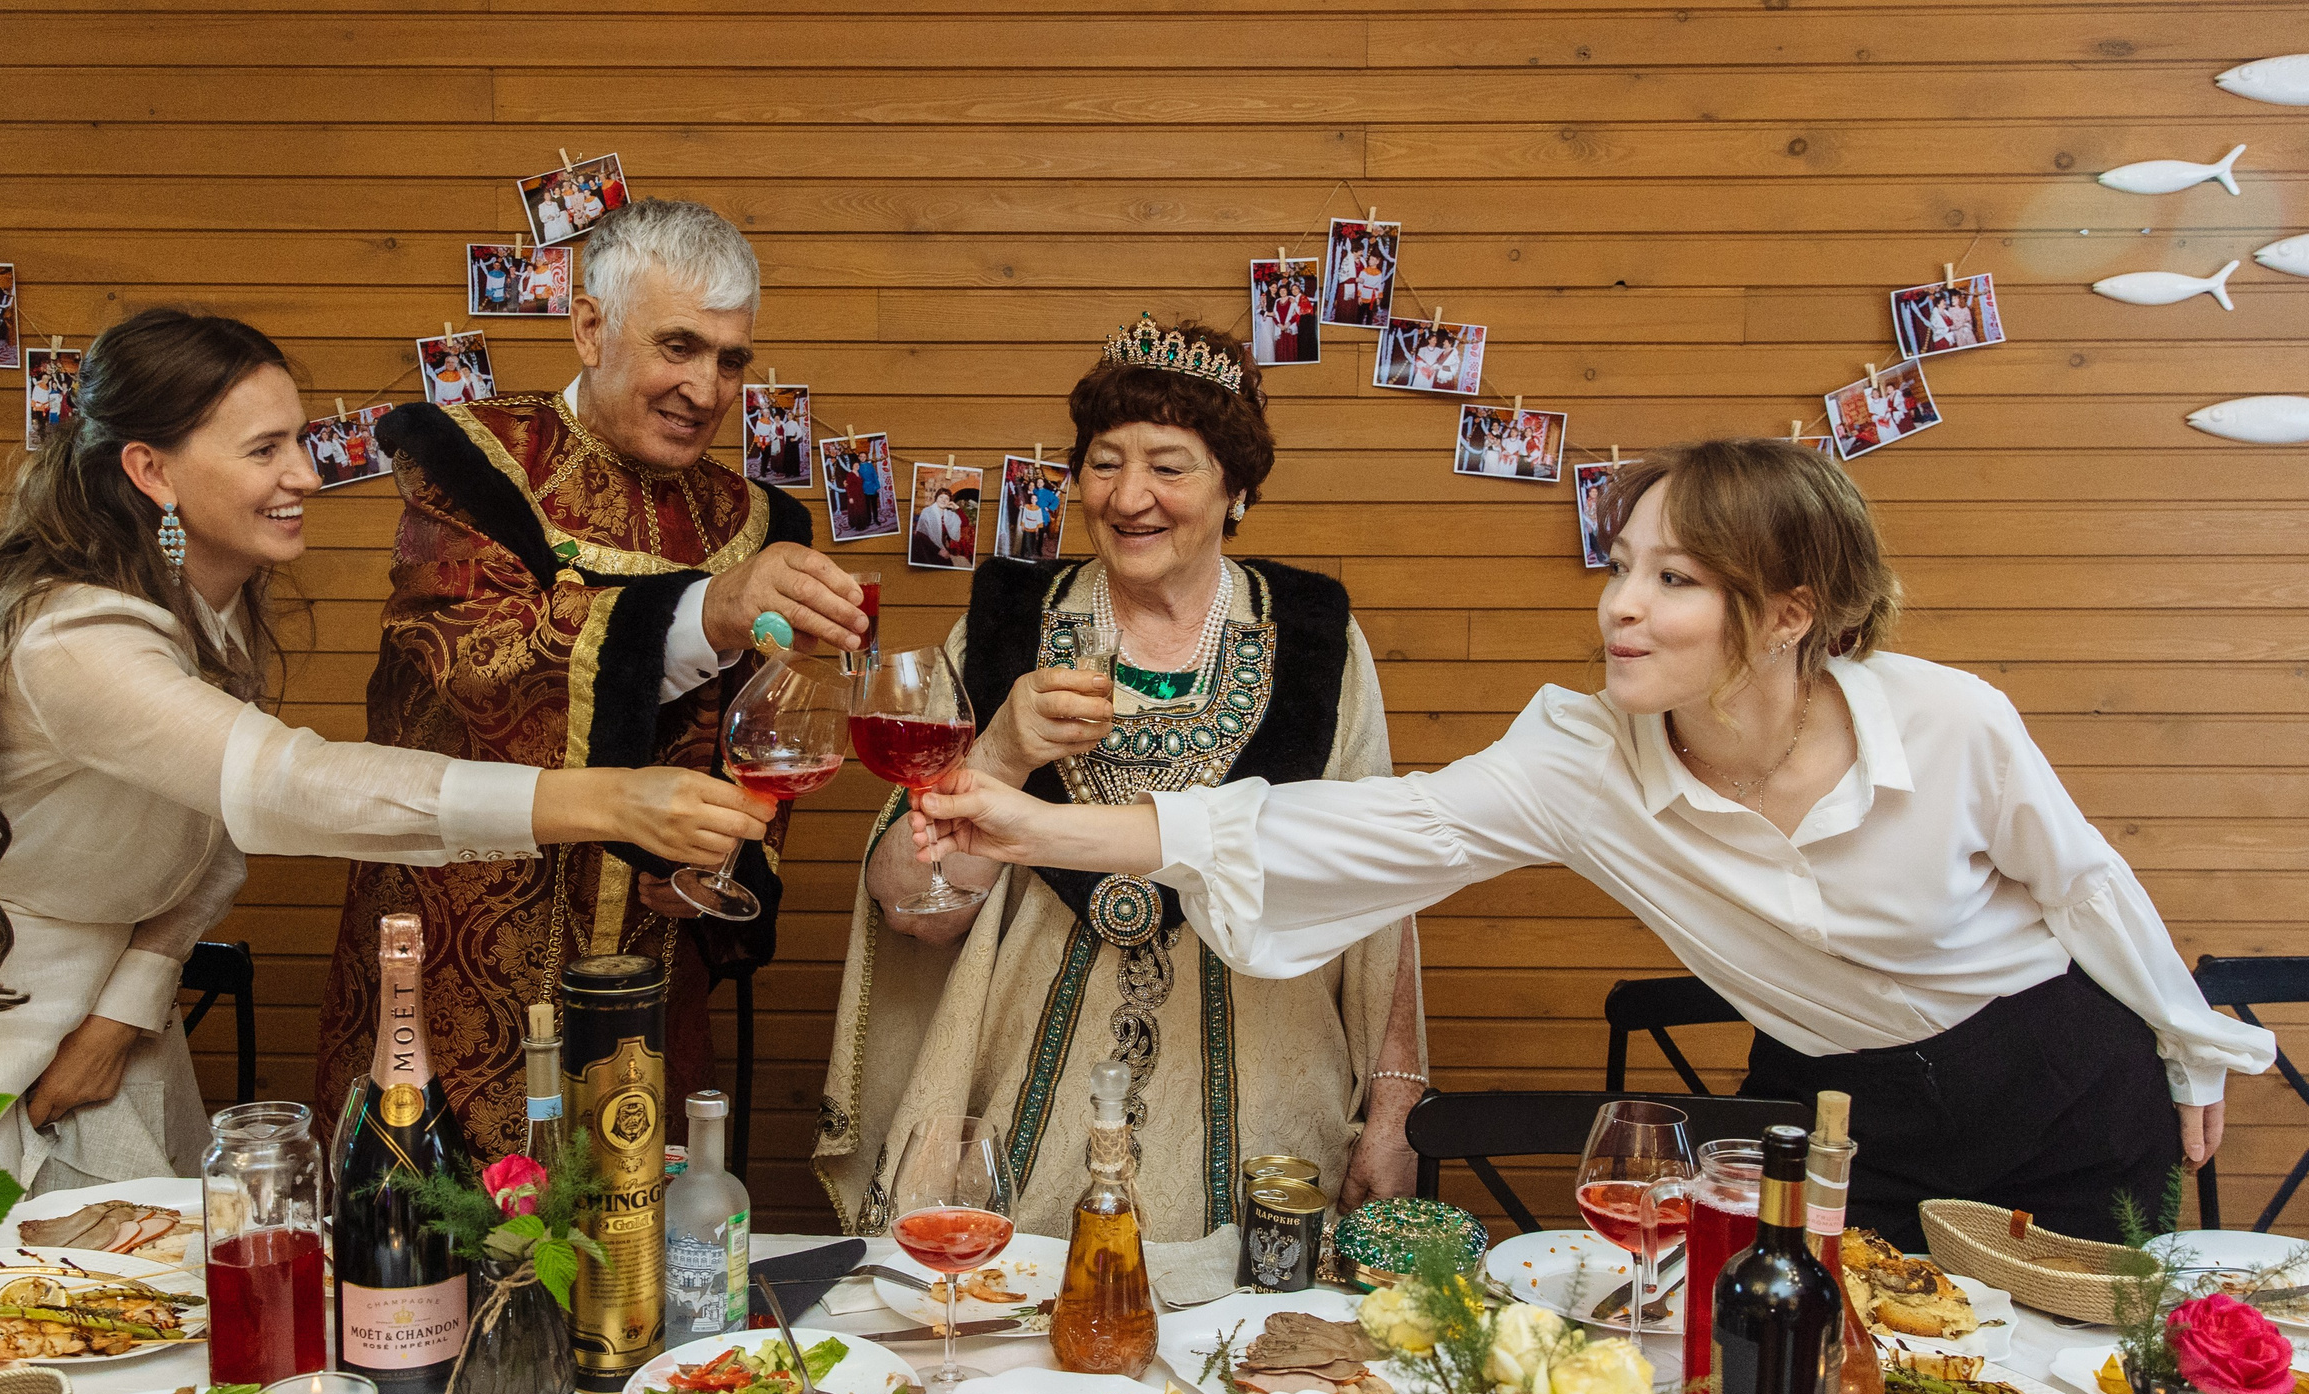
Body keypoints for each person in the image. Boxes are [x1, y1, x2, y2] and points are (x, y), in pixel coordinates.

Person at [914, 439, 2276, 1250]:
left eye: (1673, 577)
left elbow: (2083, 881)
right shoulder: (1579, 762)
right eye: (1619, 564)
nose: (1620, 606)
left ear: (1791, 608)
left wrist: (2186, 1030)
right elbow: (1336, 826)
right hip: (1845, 1107)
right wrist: (1037, 821)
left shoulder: (1949, 720)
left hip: (2062, 1084)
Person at [0, 307, 770, 1188]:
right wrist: (597, 800)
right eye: (264, 450)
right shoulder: (70, 637)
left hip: (99, 1028)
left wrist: (125, 1006)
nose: (305, 475)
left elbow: (208, 837)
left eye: (300, 441)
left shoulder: (216, 606)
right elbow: (284, 784)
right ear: (150, 470)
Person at [813, 314, 1428, 1239]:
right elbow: (914, 909)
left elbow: (1378, 886)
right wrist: (1003, 752)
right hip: (1024, 1111)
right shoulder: (1003, 630)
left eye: (1169, 465)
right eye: (1105, 461)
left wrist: (1391, 1114)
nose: (1129, 495)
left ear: (1238, 488)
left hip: (1266, 1101)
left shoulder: (1316, 641)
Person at [315, 199, 870, 1163]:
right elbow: (471, 668)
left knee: (642, 1258)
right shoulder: (473, 461)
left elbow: (766, 733)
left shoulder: (758, 521)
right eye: (680, 347)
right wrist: (710, 612)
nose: (705, 388)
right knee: (436, 1259)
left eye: (731, 360)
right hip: (467, 955)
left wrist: (725, 863)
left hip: (654, 974)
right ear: (588, 326)